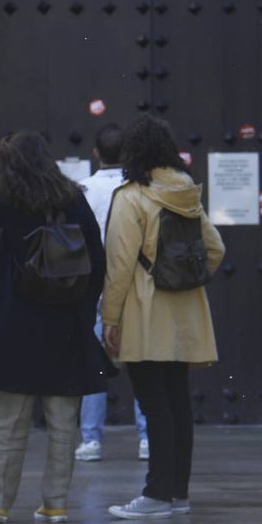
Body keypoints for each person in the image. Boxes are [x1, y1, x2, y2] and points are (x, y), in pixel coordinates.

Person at [0, 131, 116, 524]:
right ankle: (56, 503)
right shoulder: (74, 198)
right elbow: (96, 259)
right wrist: (80, 307)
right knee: (63, 424)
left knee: (9, 423)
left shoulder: (9, 201)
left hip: (16, 327)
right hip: (65, 327)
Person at [101, 114, 226, 520]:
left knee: (154, 404)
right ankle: (177, 493)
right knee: (176, 402)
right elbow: (216, 249)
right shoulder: (186, 192)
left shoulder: (131, 197)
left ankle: (156, 494)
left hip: (144, 311)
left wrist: (111, 319)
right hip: (183, 310)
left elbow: (120, 266)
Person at [74, 123, 149, 462]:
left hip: (92, 287)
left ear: (96, 153)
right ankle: (147, 435)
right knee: (140, 361)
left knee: (92, 365)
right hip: (132, 285)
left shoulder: (82, 191)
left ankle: (91, 440)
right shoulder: (138, 190)